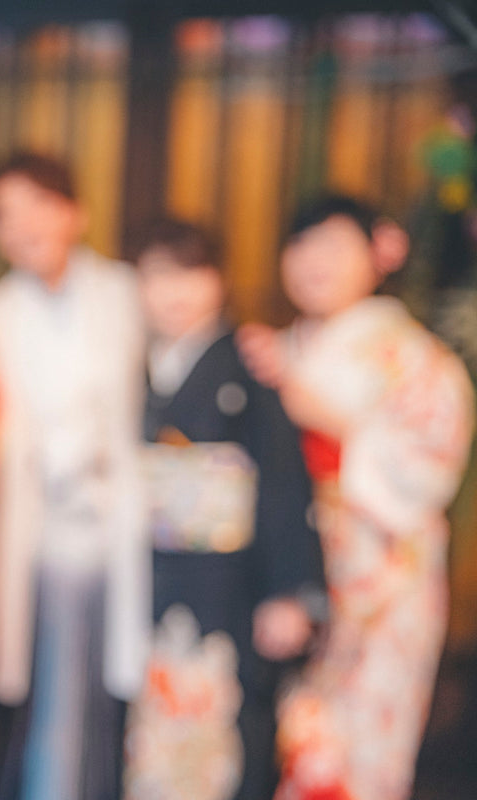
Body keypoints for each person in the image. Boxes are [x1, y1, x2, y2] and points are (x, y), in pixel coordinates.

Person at [237, 196, 475, 800]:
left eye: (335, 247)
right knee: (288, 740)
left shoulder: (418, 360)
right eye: (302, 246)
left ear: (378, 256)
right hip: (293, 579)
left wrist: (328, 421)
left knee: (363, 753)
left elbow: (428, 471)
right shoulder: (277, 352)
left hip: (381, 583)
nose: (315, 262)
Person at [122, 219, 326, 800]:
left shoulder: (247, 365)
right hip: (153, 579)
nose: (175, 292)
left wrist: (288, 591)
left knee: (226, 737)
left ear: (219, 281)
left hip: (229, 583)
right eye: (158, 276)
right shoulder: (136, 365)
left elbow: (284, 481)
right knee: (154, 740)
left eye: (191, 273)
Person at [0, 152, 147, 800]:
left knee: (116, 696)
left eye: (38, 205)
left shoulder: (125, 293)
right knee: (53, 694)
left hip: (120, 524)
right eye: (5, 213)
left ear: (75, 212)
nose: (23, 225)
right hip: (39, 530)